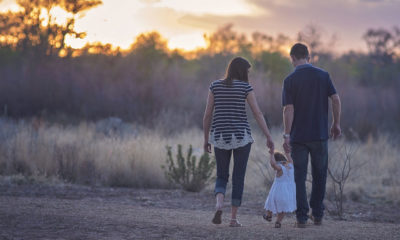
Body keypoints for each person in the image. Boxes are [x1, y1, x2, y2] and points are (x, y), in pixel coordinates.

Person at [203, 57, 274, 227]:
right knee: (238, 177)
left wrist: (206, 139)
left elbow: (207, 114)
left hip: (219, 136)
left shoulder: (215, 86)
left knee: (221, 174)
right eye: (247, 71)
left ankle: (219, 203)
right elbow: (257, 114)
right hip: (241, 137)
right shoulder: (245, 87)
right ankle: (233, 219)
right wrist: (268, 136)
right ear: (242, 71)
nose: (248, 74)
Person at [282, 43, 342, 228]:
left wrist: (286, 135)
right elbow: (336, 99)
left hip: (299, 137)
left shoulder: (290, 79)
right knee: (320, 175)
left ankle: (301, 218)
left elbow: (288, 109)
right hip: (320, 135)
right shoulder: (323, 76)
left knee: (299, 177)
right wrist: (336, 123)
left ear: (292, 58)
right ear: (308, 56)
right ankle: (317, 215)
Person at [263, 151, 296, 228]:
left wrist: (271, 154)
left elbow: (273, 164)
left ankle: (269, 216)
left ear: (277, 161)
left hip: (278, 192)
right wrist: (287, 152)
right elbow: (289, 158)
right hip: (289, 193)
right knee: (282, 208)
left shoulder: (280, 168)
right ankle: (278, 222)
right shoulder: (291, 165)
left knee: (270, 203)